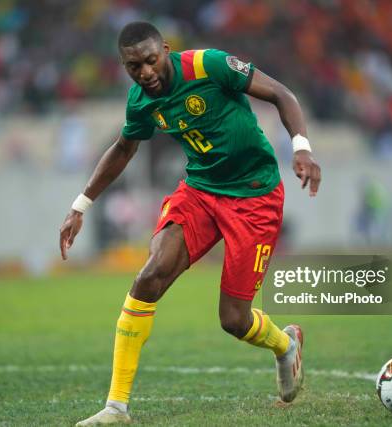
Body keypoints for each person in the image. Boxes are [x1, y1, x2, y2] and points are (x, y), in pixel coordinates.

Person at [59, 22, 321, 426]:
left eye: (150, 60)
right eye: (134, 66)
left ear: (165, 50)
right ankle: (116, 408)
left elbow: (282, 95)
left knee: (234, 319)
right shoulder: (140, 102)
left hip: (254, 198)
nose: (145, 72)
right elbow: (124, 147)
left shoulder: (209, 65)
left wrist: (301, 148)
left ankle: (286, 345)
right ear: (124, 66)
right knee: (149, 277)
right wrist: (81, 205)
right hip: (200, 191)